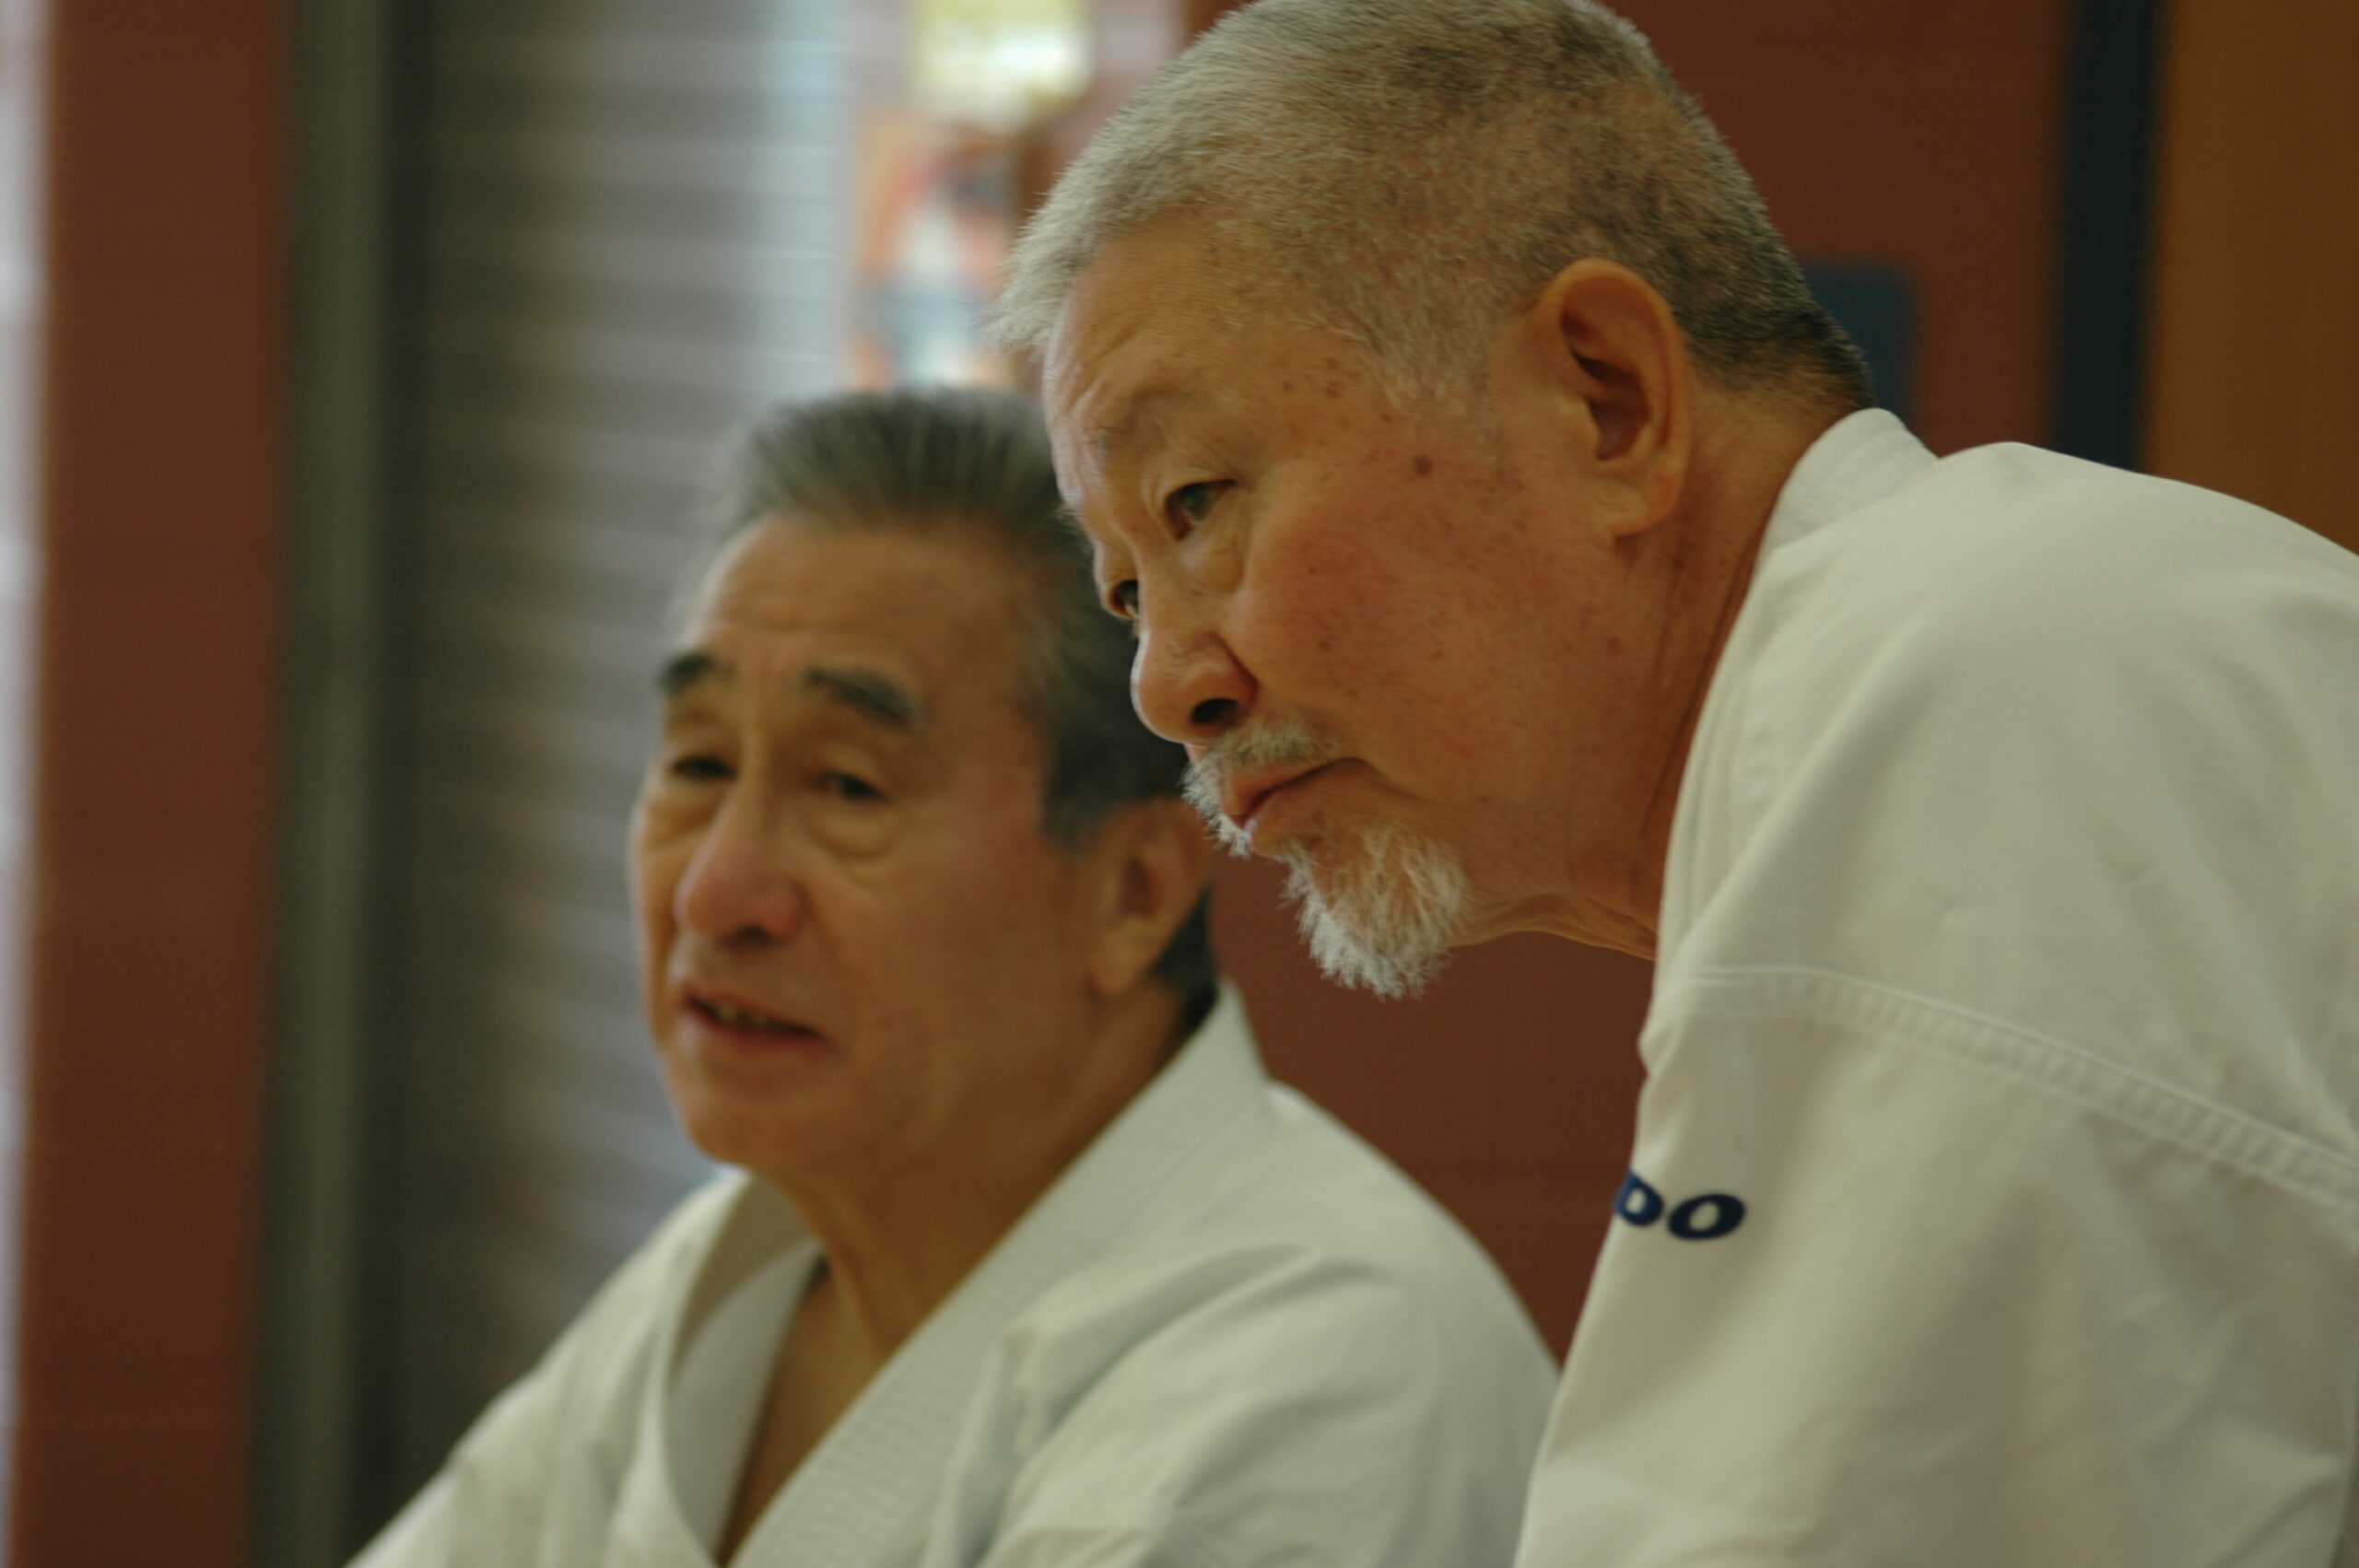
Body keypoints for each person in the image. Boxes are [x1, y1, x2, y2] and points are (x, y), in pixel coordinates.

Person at [997, 2, 2359, 1563]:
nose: (1169, 685)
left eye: (1198, 501)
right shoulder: (2008, 648)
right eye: (1122, 590)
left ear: (1606, 398)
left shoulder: (1958, 704)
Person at [351, 387, 1556, 1568]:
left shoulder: (1322, 1372)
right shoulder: (735, 1267)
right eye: (700, 762)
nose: (715, 894)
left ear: (1131, 892)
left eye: (850, 787)